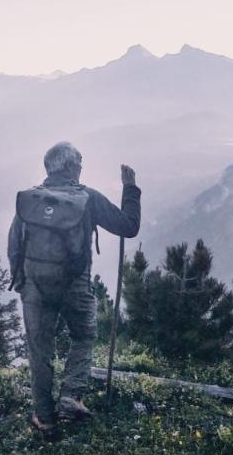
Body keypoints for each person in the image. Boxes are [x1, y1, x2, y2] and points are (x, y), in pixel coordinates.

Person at [7, 142, 140, 434]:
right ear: (70, 167)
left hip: (35, 286)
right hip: (74, 284)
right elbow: (129, 227)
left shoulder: (30, 200)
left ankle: (44, 418)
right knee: (83, 335)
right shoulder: (87, 198)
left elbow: (15, 243)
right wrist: (130, 189)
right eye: (79, 163)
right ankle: (70, 394)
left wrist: (20, 281)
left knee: (39, 349)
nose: (81, 168)